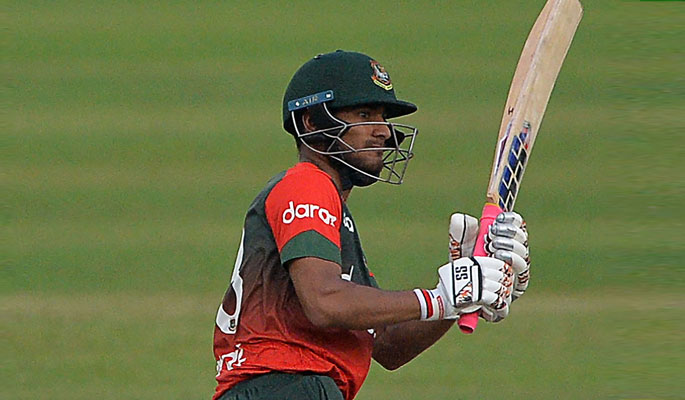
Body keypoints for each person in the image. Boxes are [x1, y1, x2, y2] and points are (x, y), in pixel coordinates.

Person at [212, 50, 531, 400]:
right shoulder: (306, 184)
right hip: (286, 387)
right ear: (311, 122)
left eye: (383, 117)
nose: (383, 131)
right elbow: (324, 302)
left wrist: (461, 296)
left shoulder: (334, 213)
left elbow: (389, 346)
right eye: (364, 115)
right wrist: (441, 297)